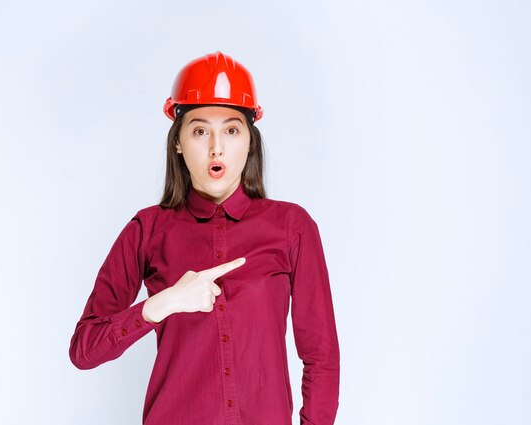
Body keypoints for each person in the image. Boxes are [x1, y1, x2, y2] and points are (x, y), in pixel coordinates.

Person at [69, 51, 340, 425]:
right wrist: (161, 304)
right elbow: (85, 350)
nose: (216, 147)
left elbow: (321, 356)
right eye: (199, 131)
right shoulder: (147, 230)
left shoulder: (292, 227)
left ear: (250, 141)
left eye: (231, 130)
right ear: (178, 142)